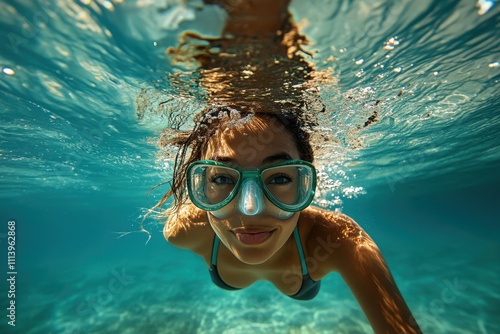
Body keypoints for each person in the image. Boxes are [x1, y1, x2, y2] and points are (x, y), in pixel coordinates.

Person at [148, 1, 422, 332]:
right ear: (201, 185)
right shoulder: (184, 229)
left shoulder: (339, 240)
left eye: (279, 177)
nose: (250, 211)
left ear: (306, 183)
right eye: (221, 177)